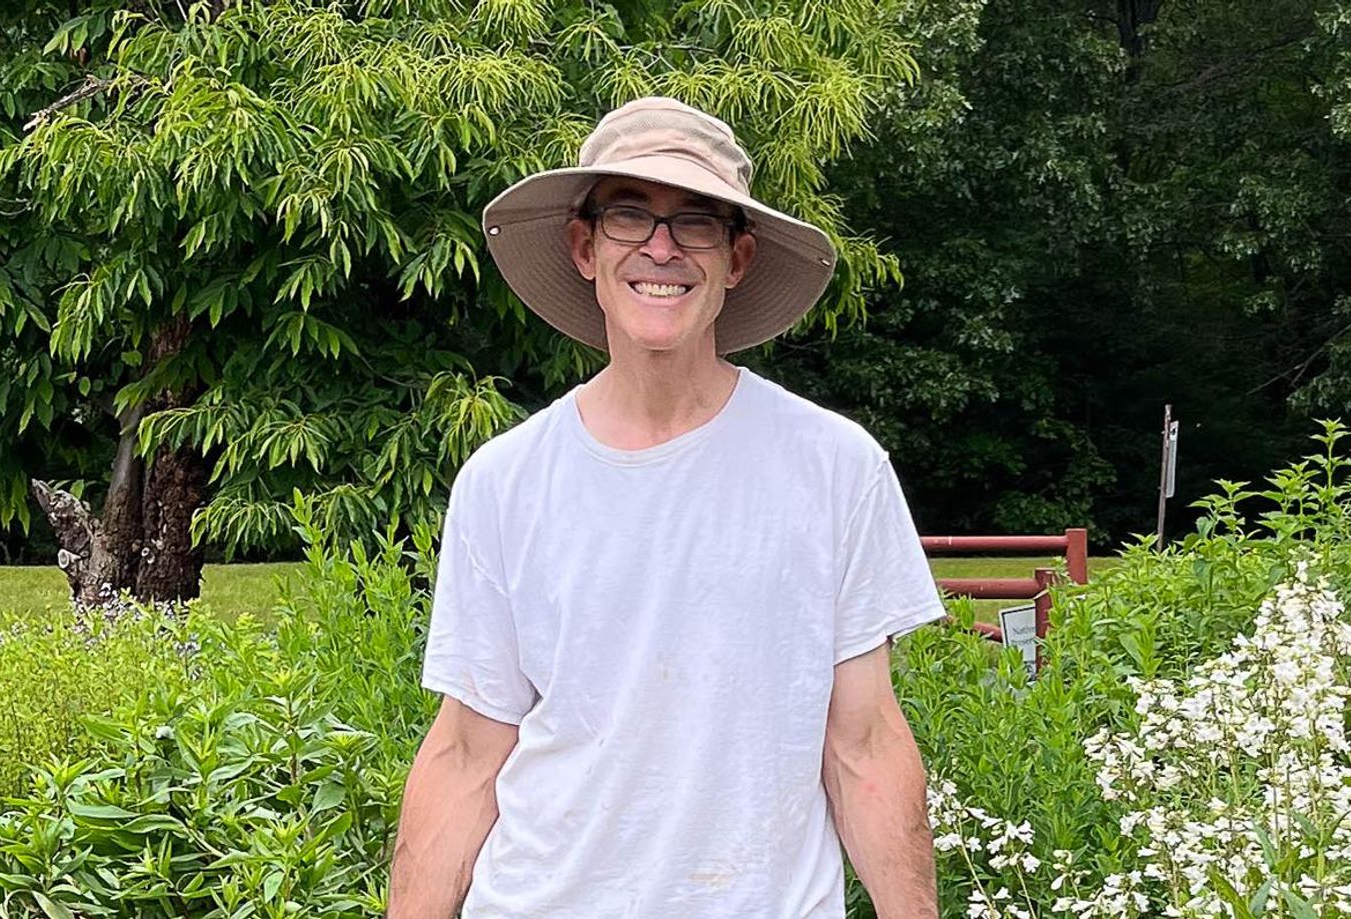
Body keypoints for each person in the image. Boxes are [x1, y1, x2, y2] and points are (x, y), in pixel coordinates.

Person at [384, 97, 946, 919]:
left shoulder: (835, 468)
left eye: (696, 222)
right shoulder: (505, 481)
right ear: (584, 246)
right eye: (628, 215)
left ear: (738, 257)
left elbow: (862, 744)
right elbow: (467, 754)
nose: (661, 247)